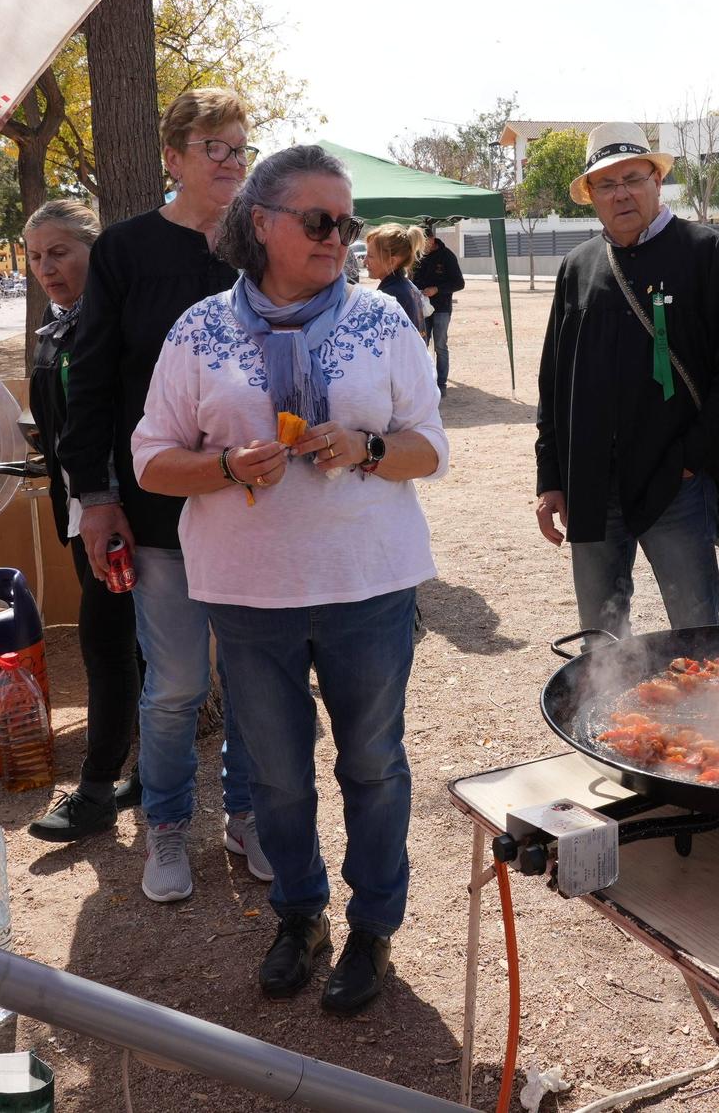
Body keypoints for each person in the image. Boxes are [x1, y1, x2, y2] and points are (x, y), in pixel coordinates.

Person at [133, 144, 447, 1014]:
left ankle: (374, 927)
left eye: (346, 221)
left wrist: (367, 447)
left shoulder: (383, 320)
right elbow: (152, 460)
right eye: (319, 220)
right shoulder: (198, 329)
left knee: (373, 765)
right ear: (261, 223)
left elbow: (432, 445)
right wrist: (228, 466)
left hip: (367, 585)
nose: (338, 235)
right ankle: (300, 915)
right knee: (276, 773)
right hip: (248, 592)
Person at [56, 87, 269, 893]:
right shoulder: (125, 251)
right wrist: (95, 497)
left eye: (238, 146)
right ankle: (168, 828)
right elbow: (94, 383)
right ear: (172, 157)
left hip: (257, 504)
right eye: (211, 145)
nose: (228, 160)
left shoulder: (264, 241)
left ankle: (247, 818)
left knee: (254, 681)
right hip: (154, 506)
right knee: (177, 681)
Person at [534, 121, 719, 636]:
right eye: (606, 184)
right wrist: (551, 477)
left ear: (657, 181)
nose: (622, 193)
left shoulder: (705, 253)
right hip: (589, 484)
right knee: (601, 636)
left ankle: (702, 717)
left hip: (674, 483)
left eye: (633, 178)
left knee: (696, 630)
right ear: (590, 195)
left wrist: (689, 459)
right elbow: (554, 382)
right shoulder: (577, 266)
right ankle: (611, 719)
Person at [22, 200, 145, 840]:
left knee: (106, 644)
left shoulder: (116, 322)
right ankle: (150, 771)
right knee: (129, 644)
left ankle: (97, 789)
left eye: (59, 252)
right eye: (36, 256)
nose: (46, 267)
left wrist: (106, 500)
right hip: (79, 512)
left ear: (95, 251)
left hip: (121, 512)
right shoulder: (55, 326)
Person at [410, 221, 465, 392]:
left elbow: (459, 283)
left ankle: (441, 384)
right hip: (421, 309)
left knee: (440, 345)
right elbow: (411, 279)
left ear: (432, 240)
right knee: (421, 345)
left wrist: (437, 289)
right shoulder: (416, 256)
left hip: (441, 308)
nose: (421, 247)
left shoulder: (447, 256)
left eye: (423, 242)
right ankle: (424, 382)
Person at [363, 223, 430, 334]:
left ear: (392, 261)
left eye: (370, 256)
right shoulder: (406, 286)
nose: (364, 261)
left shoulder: (391, 295)